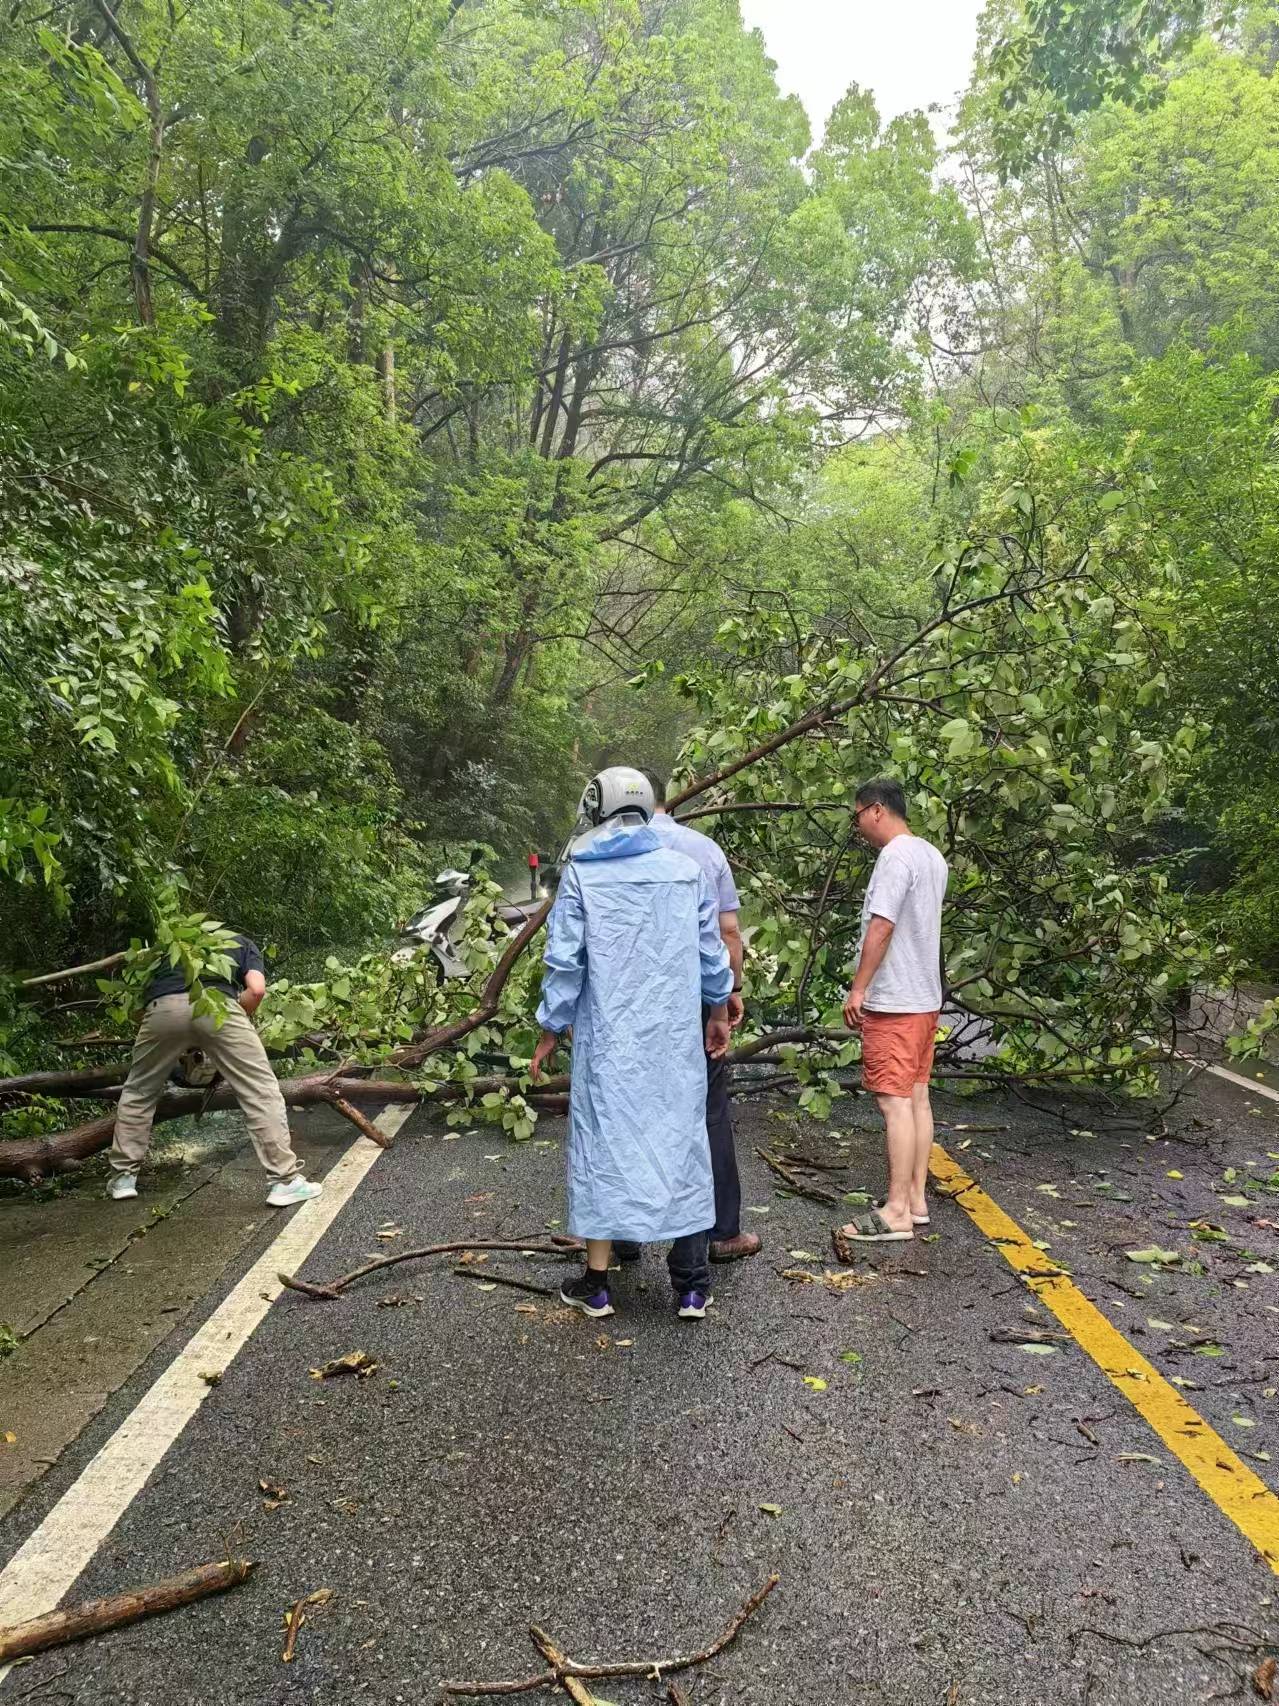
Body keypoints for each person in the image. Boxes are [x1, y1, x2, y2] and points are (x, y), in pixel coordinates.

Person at [530, 767, 733, 1320]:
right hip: (672, 1040)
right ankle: (691, 1286)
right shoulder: (687, 872)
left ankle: (596, 1285)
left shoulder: (581, 875)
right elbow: (712, 958)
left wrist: (550, 1029)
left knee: (603, 1147)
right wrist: (719, 1010)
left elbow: (565, 963)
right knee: (682, 1141)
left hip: (609, 1040)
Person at [636, 769, 759, 1264]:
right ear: (666, 800)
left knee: (630, 1109)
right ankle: (721, 1232)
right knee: (708, 1110)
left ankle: (621, 1235)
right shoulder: (704, 850)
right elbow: (729, 934)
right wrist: (727, 995)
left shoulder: (601, 850)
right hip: (690, 997)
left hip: (629, 1005)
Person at [107, 931, 322, 1208]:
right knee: (260, 1091)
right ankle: (284, 1181)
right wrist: (236, 1018)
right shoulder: (242, 944)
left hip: (162, 1010)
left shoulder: (163, 950)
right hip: (216, 1004)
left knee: (138, 1090)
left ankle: (123, 1178)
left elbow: (138, 1006)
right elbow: (256, 990)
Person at [838, 779, 948, 1242]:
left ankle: (897, 1210)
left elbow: (881, 926)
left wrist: (858, 988)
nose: (858, 825)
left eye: (857, 815)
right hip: (925, 998)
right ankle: (916, 1200)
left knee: (893, 1102)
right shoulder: (931, 854)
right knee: (917, 1097)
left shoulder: (894, 857)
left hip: (896, 1000)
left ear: (877, 810)